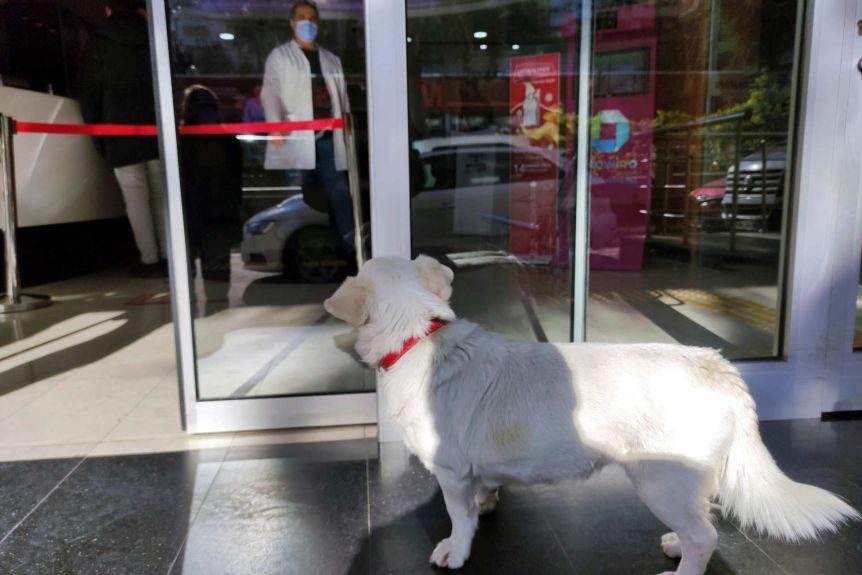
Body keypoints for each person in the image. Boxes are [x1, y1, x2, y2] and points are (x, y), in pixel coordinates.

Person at [78, 0, 167, 278]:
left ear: (107, 10)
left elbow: (89, 93)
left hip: (119, 133)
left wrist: (98, 135)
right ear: (141, 11)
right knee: (161, 197)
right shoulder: (154, 37)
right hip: (157, 132)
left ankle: (149, 259)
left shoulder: (98, 41)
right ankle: (169, 255)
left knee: (136, 200)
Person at [260, 0, 354, 255]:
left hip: (326, 138)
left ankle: (349, 245)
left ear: (318, 23)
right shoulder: (280, 56)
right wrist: (274, 127)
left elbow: (342, 98)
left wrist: (345, 129)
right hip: (295, 138)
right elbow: (270, 93)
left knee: (339, 193)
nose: (307, 21)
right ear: (292, 23)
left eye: (311, 17)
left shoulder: (331, 59)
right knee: (297, 199)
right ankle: (299, 249)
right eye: (301, 16)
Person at [180, 86, 243, 315]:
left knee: (184, 274)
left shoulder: (178, 140)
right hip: (220, 215)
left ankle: (189, 316)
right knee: (217, 279)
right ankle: (217, 313)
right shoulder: (229, 141)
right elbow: (236, 183)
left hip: (188, 213)